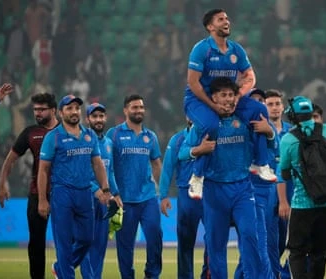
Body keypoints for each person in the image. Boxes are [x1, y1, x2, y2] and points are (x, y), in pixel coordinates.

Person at [184, 8, 276, 200]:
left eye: (227, 19)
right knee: (211, 125)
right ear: (210, 27)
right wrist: (213, 105)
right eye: (220, 19)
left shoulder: (236, 50)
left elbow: (250, 76)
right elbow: (193, 83)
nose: (226, 22)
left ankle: (260, 163)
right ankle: (198, 176)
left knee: (259, 110)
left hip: (228, 98)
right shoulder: (202, 49)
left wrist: (237, 97)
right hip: (199, 99)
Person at [180, 77, 264, 279]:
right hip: (214, 190)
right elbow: (181, 154)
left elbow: (266, 147)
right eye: (223, 95)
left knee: (250, 235)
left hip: (242, 188)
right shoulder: (204, 125)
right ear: (213, 98)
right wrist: (199, 149)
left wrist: (269, 134)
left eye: (232, 95)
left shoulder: (245, 120)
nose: (229, 99)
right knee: (216, 245)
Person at [37, 94, 112, 279]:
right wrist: (42, 199)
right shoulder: (53, 137)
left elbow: (97, 164)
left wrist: (106, 189)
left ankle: (59, 268)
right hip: (62, 193)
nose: (74, 111)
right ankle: (65, 275)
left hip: (85, 193)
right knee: (63, 242)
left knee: (87, 239)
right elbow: (43, 170)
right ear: (61, 113)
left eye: (77, 108)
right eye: (69, 108)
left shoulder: (89, 135)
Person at [0, 92, 58, 279]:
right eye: (35, 110)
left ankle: (61, 270)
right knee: (36, 244)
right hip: (36, 193)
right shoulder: (31, 132)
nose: (37, 113)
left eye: (42, 109)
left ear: (53, 110)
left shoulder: (65, 131)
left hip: (64, 193)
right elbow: (10, 159)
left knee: (74, 239)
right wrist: (2, 184)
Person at [279, 96, 326, 279]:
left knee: (297, 253)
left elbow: (285, 172)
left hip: (303, 207)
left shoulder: (288, 139)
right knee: (319, 255)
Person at [106, 95, 163, 279]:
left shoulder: (150, 136)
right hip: (123, 200)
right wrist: (112, 192)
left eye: (141, 107)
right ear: (125, 110)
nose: (139, 110)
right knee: (125, 245)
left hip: (148, 197)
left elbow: (156, 164)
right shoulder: (113, 134)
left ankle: (152, 275)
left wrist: (162, 192)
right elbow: (107, 165)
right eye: (134, 107)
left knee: (155, 237)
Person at [159, 118, 210, 279]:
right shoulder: (178, 139)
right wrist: (163, 195)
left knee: (213, 240)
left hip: (210, 193)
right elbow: (167, 169)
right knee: (185, 243)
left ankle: (208, 275)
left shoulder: (213, 136)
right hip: (186, 195)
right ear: (187, 116)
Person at [234, 88, 276, 279]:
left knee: (258, 241)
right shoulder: (240, 126)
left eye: (262, 100)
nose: (259, 103)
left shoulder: (270, 128)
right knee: (257, 241)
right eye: (255, 100)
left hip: (267, 188)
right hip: (247, 187)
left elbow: (276, 147)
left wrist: (270, 133)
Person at [80, 103, 123, 279]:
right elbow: (81, 172)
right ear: (87, 119)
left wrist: (116, 193)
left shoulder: (108, 143)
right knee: (85, 242)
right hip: (86, 199)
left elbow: (109, 171)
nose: (98, 120)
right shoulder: (82, 141)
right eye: (94, 116)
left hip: (105, 200)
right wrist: (96, 190)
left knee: (100, 243)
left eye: (101, 116)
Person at [264, 89, 293, 278]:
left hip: (289, 190)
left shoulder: (292, 132)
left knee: (283, 241)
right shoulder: (260, 129)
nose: (274, 108)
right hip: (266, 190)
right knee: (268, 242)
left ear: (283, 107)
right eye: (270, 104)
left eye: (277, 104)